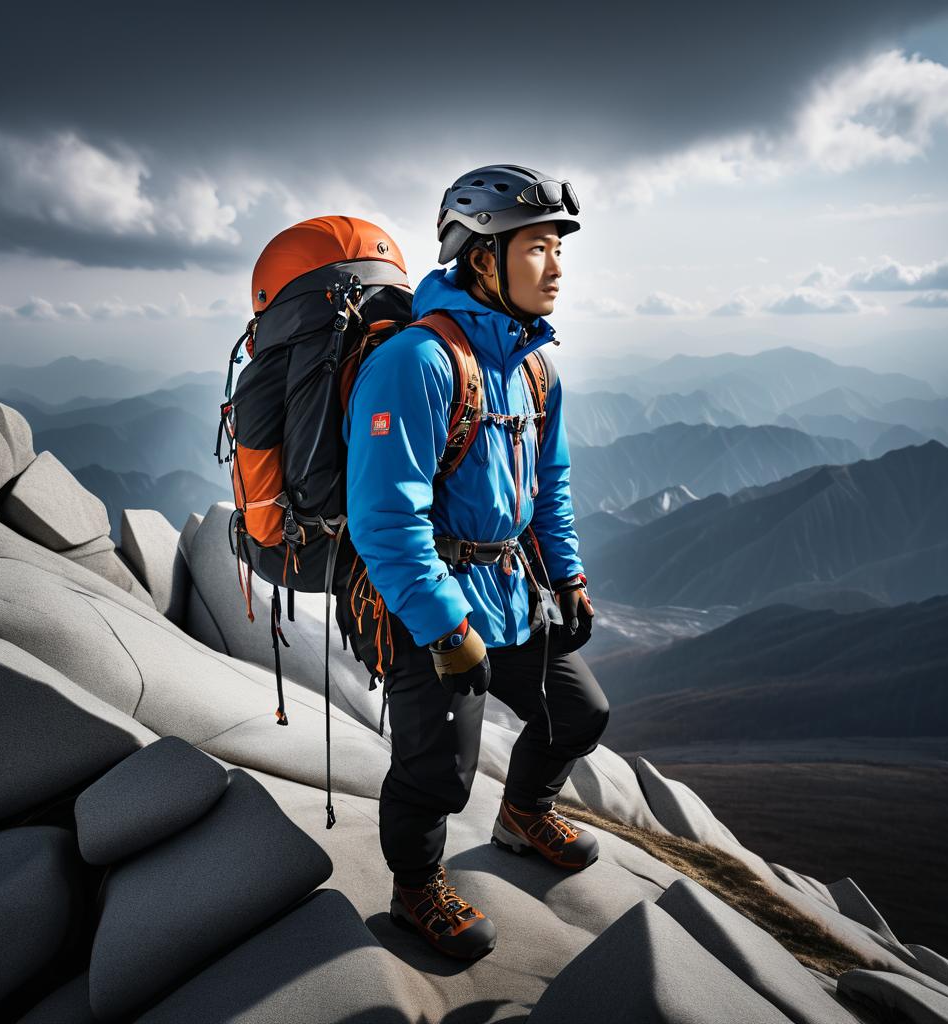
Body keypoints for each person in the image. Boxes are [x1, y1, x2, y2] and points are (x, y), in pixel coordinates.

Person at [342, 164, 609, 961]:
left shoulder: (534, 367)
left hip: (510, 590)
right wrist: (442, 625)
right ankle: (414, 889)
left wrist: (568, 575)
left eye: (559, 248)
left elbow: (548, 485)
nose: (557, 266)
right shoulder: (418, 362)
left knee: (580, 714)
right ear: (482, 257)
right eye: (537, 247)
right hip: (431, 602)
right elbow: (385, 519)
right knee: (438, 772)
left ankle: (523, 813)